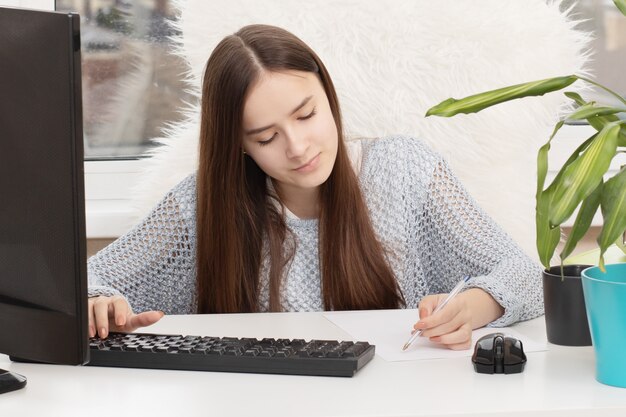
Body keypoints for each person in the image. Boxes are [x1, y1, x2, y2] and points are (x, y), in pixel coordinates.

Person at [87, 24, 543, 351]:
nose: (299, 146)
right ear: (239, 146)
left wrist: (476, 306)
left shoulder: (405, 170)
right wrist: (97, 304)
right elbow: (90, 279)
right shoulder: (200, 206)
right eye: (266, 137)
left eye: (307, 115)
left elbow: (524, 275)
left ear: (329, 95)